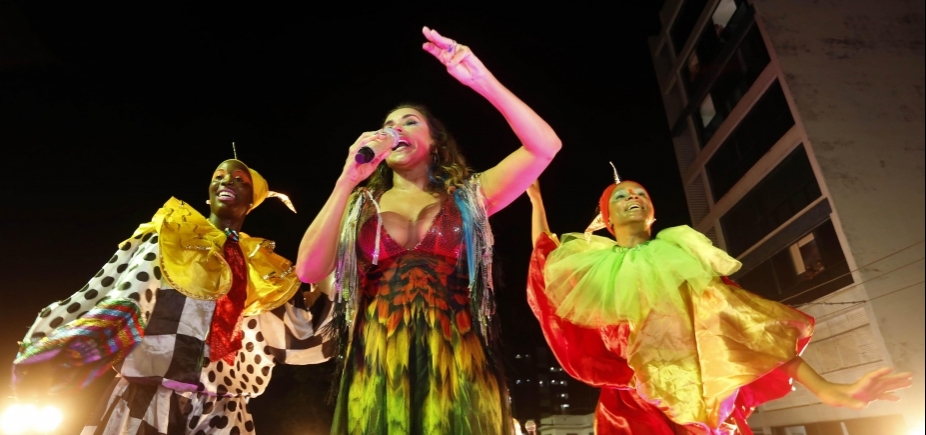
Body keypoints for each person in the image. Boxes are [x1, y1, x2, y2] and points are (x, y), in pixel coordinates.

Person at [296, 26, 561, 435]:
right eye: (388, 124)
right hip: (379, 361)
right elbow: (308, 271)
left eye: (410, 121)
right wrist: (347, 180)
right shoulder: (358, 206)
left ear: (435, 142)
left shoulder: (469, 197)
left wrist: (482, 81)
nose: (396, 128)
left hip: (457, 358)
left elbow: (544, 146)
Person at [524, 176, 913, 434]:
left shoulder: (681, 260)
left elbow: (748, 330)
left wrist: (830, 390)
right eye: (621, 196)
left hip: (705, 404)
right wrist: (536, 200)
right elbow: (546, 260)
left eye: (641, 193)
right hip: (631, 410)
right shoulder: (594, 271)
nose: (632, 198)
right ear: (606, 218)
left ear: (653, 212)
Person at [12, 158, 335, 435]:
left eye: (240, 181)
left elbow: (301, 331)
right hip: (148, 396)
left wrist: (343, 258)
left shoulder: (265, 271)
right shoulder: (167, 238)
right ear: (208, 194)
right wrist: (49, 345)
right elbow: (111, 293)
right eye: (218, 177)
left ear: (254, 199)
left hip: (224, 407)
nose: (226, 182)